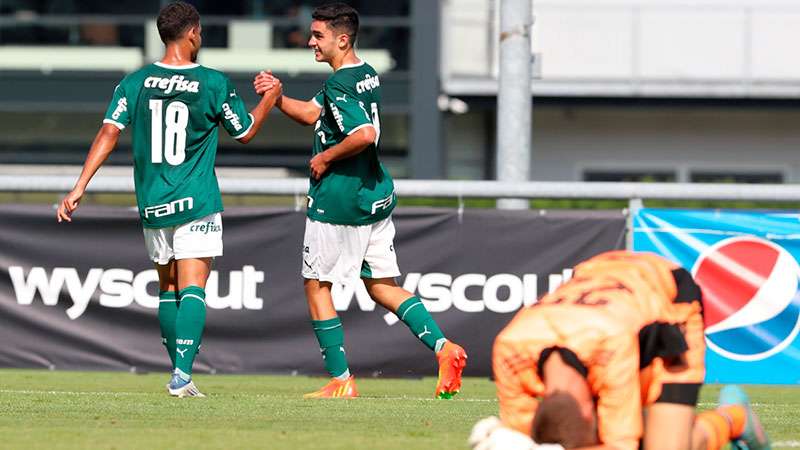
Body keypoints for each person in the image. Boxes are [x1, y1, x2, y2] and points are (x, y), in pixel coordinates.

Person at [56, 1, 281, 397]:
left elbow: (108, 133)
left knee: (168, 287)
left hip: (153, 202)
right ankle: (182, 374)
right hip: (196, 199)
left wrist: (79, 187)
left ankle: (177, 370)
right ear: (193, 33)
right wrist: (270, 98)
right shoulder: (213, 82)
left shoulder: (135, 82)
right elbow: (244, 131)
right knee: (193, 286)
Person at [253, 2, 467, 399]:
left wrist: (325, 156)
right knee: (382, 286)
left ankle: (340, 379)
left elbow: (366, 134)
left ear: (342, 38)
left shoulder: (339, 84)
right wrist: (279, 97)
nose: (311, 42)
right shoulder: (363, 74)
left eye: (318, 36)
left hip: (340, 201)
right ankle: (444, 348)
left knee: (316, 286)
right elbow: (311, 114)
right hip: (374, 197)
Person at [470, 251, 770, 450]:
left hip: (666, 292)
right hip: (598, 279)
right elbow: (524, 433)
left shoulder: (610, 346)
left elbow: (619, 445)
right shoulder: (508, 349)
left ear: (592, 413)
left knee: (665, 445)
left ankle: (734, 419)